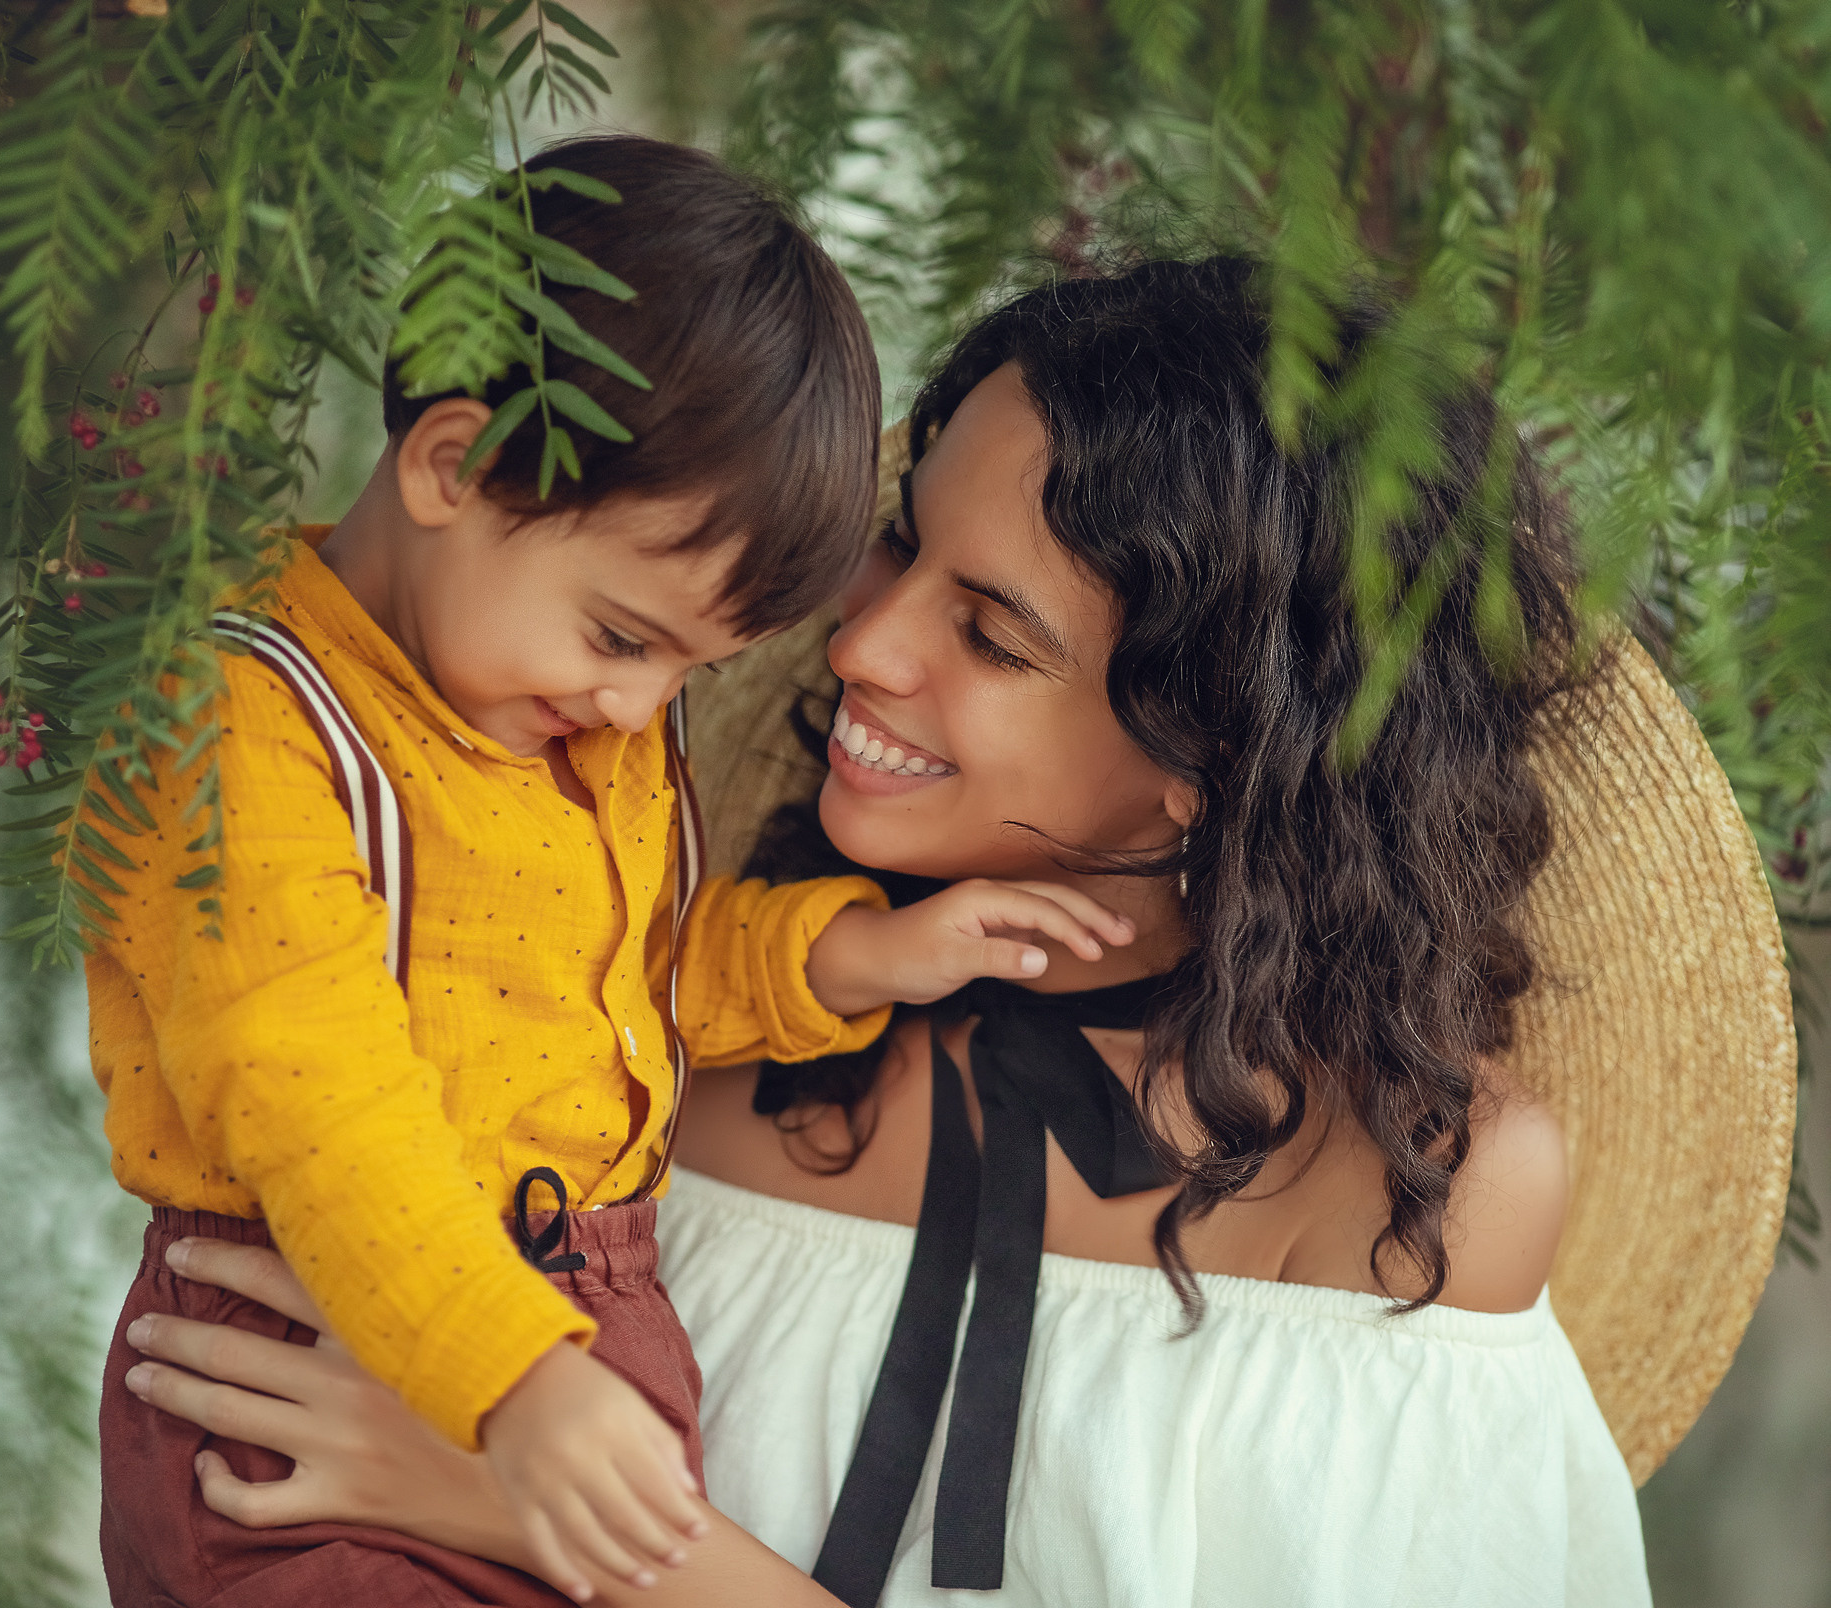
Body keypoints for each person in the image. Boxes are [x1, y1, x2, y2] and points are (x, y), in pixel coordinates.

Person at [117, 259, 1788, 1604]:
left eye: (988, 631)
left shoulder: (1402, 1193)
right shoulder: (635, 1033)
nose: (862, 648)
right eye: (898, 543)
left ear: (1209, 764)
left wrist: (557, 1522)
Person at [90, 135, 1142, 1608]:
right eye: (621, 639)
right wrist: (515, 1379)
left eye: (689, 669)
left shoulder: (551, 712)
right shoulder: (236, 723)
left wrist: (850, 960)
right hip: (332, 1354)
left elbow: (602, 988)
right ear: (454, 465)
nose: (643, 712)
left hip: (584, 1338)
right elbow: (311, 1096)